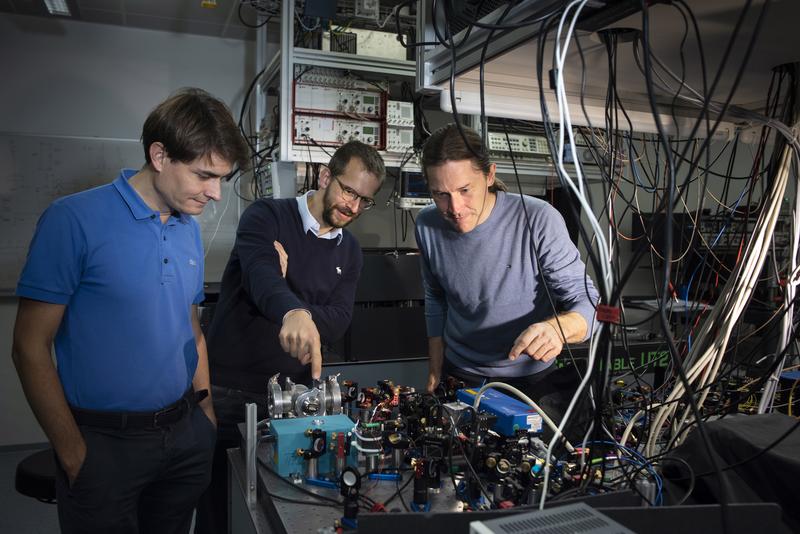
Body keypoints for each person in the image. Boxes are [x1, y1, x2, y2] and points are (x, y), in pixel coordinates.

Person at [11, 88, 250, 534]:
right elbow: (29, 346)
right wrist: (71, 449)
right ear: (160, 155)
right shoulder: (72, 220)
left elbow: (191, 329)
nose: (215, 193)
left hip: (184, 435)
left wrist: (206, 415)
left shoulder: (186, 230)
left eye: (222, 178)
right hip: (103, 444)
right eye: (204, 176)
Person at [194, 141, 385, 534]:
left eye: (365, 200)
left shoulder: (350, 251)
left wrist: (292, 302)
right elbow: (262, 276)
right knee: (221, 507)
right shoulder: (266, 216)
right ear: (325, 176)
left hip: (295, 399)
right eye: (349, 191)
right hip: (232, 392)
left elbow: (338, 320)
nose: (353, 206)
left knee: (284, 507)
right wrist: (291, 306)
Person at [415, 123, 599, 440]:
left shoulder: (538, 219)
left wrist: (558, 328)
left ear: (489, 175)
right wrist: (435, 369)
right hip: (460, 376)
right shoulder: (427, 225)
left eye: (464, 190)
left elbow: (592, 305)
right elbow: (435, 297)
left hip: (530, 383)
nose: (455, 209)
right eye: (440, 194)